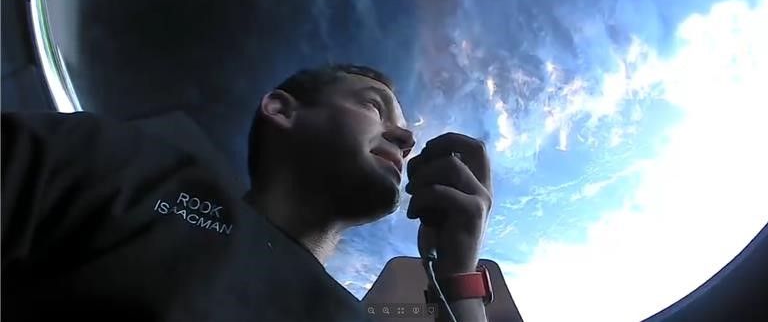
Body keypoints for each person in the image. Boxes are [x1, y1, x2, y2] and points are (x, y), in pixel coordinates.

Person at [1, 64, 493, 322]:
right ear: (281, 110)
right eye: (374, 106)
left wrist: (457, 273)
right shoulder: (132, 170)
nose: (406, 139)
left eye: (405, 132)